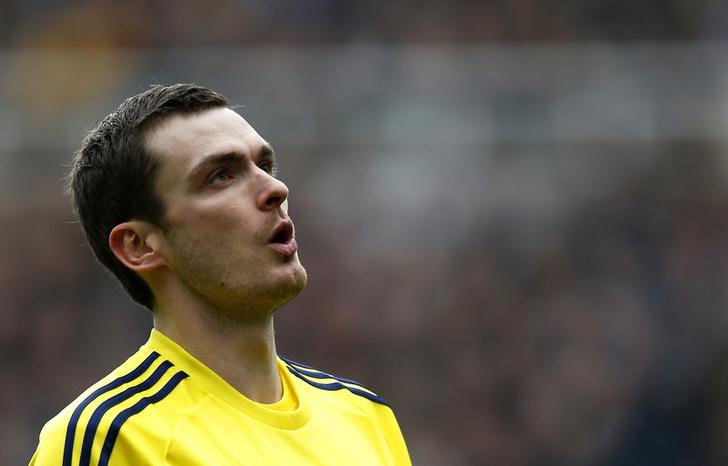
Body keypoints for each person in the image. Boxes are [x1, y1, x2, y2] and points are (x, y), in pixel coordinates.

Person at [28, 83, 411, 465]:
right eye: (220, 176)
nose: (276, 189)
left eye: (264, 165)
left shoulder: (364, 416)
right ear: (139, 246)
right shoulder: (108, 439)